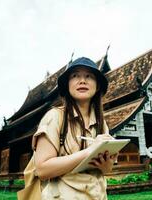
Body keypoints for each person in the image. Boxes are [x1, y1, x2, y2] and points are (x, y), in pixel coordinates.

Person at [33, 57, 117, 199]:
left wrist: (106, 164)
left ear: (97, 86)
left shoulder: (101, 124)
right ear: (67, 85)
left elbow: (106, 170)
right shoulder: (55, 117)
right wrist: (89, 151)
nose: (82, 80)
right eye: (75, 76)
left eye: (89, 76)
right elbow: (42, 170)